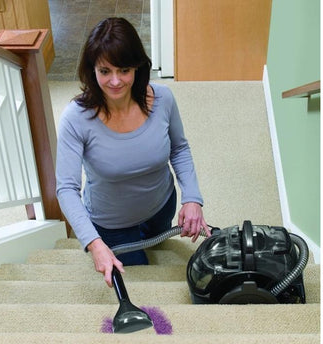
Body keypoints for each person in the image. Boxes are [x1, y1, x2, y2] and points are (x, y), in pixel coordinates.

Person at [56, 17, 211, 287]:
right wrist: (94, 244)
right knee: (142, 282)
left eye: (124, 70)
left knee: (159, 247)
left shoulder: (163, 99)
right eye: (105, 71)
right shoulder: (76, 118)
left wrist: (192, 198)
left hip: (161, 207)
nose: (115, 81)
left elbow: (179, 148)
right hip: (111, 225)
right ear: (91, 70)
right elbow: (66, 188)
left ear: (138, 68)